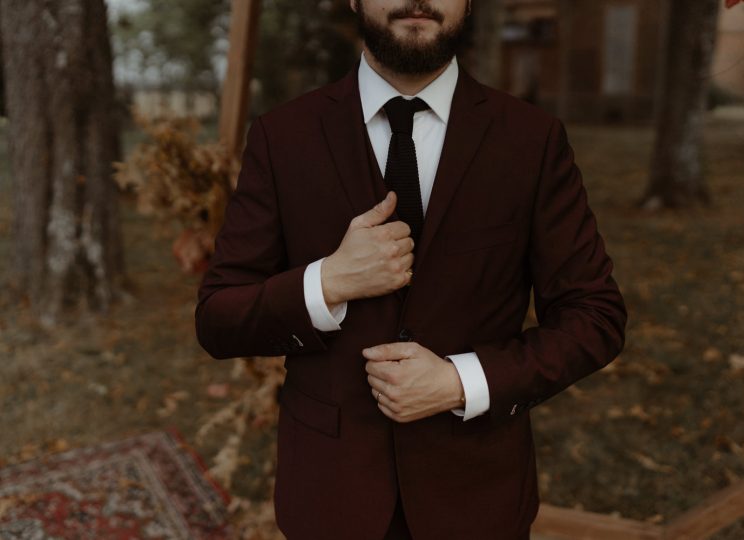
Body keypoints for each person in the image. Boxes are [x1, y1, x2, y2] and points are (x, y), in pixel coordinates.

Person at [194, 0, 627, 538]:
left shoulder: (531, 140)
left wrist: (460, 382)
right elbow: (218, 316)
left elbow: (595, 316)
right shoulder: (282, 136)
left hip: (477, 496)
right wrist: (328, 282)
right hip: (329, 496)